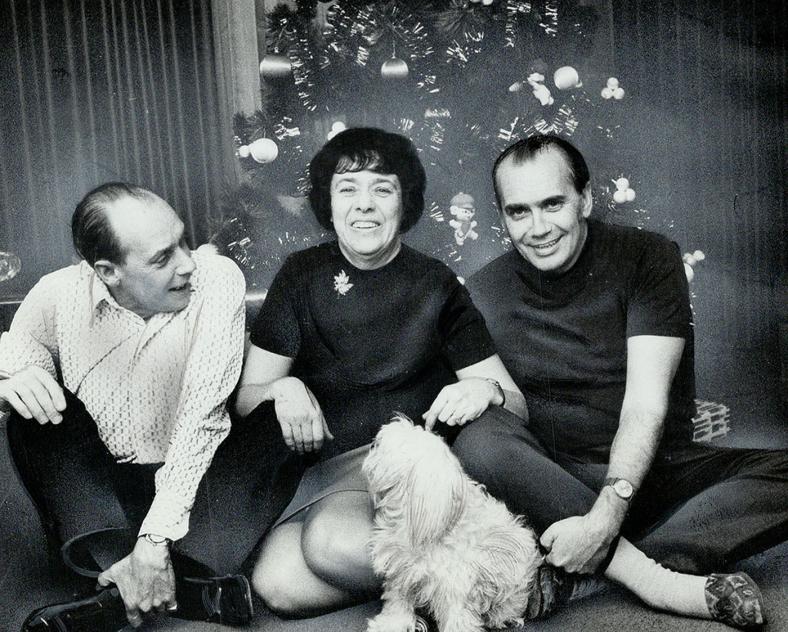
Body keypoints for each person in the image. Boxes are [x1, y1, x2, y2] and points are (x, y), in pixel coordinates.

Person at [453, 134, 788, 629]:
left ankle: (585, 563)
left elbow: (646, 406)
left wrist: (606, 517)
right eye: (519, 212)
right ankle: (650, 574)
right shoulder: (482, 290)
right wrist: (489, 392)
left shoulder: (647, 258)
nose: (539, 228)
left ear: (585, 200)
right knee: (479, 439)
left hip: (653, 472)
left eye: (553, 204)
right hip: (549, 480)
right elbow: (506, 419)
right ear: (503, 218)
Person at [234, 127, 529, 618]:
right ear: (328, 205)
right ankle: (470, 583)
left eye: (382, 188)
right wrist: (282, 388)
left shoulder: (435, 284)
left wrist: (485, 389)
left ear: (404, 203)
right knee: (278, 584)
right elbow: (248, 400)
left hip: (406, 474)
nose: (364, 204)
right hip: (323, 473)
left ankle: (477, 583)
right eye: (347, 188)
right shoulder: (300, 275)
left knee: (329, 546)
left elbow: (515, 404)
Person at [0, 182, 300, 632]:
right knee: (33, 408)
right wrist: (11, 381)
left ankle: (112, 602)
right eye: (162, 258)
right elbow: (17, 363)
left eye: (182, 240)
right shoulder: (55, 295)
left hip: (201, 489)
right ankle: (193, 592)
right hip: (106, 501)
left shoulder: (216, 278)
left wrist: (155, 539)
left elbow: (203, 415)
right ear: (108, 271)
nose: (186, 263)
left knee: (280, 422)